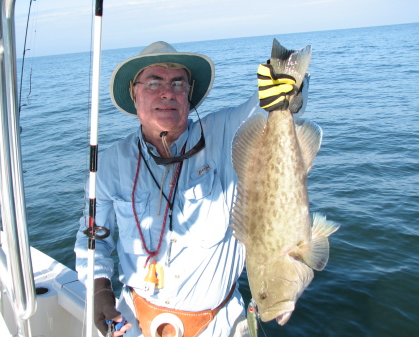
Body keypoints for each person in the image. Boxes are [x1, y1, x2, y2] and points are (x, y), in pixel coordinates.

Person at [74, 41, 308, 337]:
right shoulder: (109, 164)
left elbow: (267, 110)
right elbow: (93, 239)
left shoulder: (224, 133)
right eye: (154, 82)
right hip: (133, 321)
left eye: (178, 83)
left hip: (217, 327)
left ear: (189, 93)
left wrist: (286, 85)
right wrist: (99, 290)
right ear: (135, 93)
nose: (167, 92)